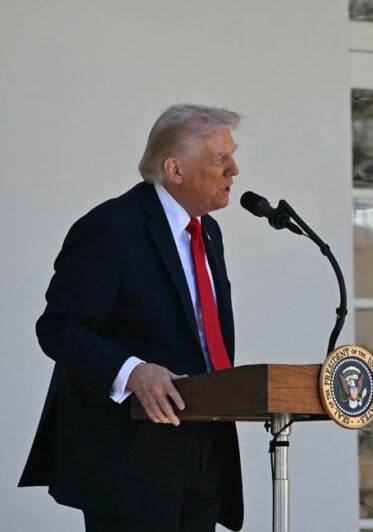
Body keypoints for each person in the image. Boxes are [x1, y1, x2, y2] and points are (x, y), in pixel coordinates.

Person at [19, 104, 245, 531]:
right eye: (221, 158)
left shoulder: (208, 233)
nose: (234, 169)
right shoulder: (111, 227)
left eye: (232, 155)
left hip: (205, 452)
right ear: (174, 169)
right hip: (130, 460)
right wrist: (134, 372)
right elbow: (59, 328)